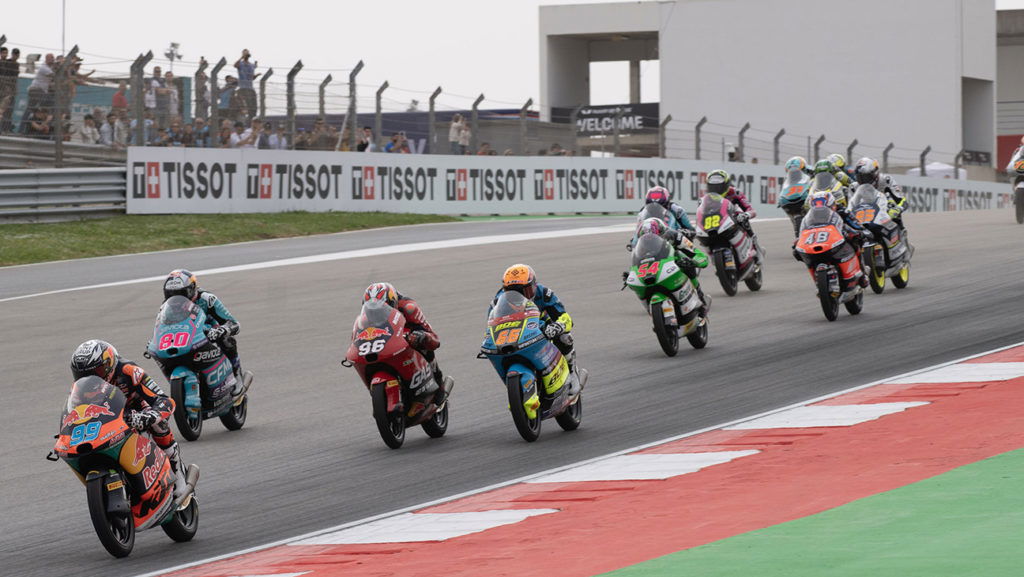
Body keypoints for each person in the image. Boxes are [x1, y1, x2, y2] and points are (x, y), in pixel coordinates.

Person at [70, 339, 189, 498]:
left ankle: (177, 470)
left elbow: (165, 400)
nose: (89, 378)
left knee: (159, 425)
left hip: (137, 408)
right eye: (82, 374)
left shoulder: (130, 371)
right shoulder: (79, 387)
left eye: (95, 372)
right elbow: (75, 413)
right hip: (107, 416)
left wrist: (149, 416)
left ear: (109, 365)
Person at [362, 282, 450, 404]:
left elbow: (433, 337)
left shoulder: (409, 308)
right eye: (372, 310)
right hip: (387, 336)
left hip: (408, 332)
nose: (375, 313)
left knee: (426, 345)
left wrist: (422, 336)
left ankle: (439, 385)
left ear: (392, 302)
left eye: (381, 308)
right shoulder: (367, 314)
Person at [492, 264, 580, 379]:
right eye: (512, 292)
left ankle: (572, 373)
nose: (519, 296)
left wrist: (558, 326)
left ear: (533, 285)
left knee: (565, 338)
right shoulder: (498, 300)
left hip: (543, 327)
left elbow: (565, 317)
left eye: (524, 291)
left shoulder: (544, 293)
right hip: (516, 332)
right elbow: (492, 324)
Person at [162, 269, 245, 386]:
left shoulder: (207, 299)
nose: (175, 299)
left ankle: (237, 376)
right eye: (170, 294)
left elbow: (234, 323)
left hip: (209, 330)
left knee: (227, 340)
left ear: (192, 289)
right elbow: (163, 326)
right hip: (184, 335)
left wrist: (222, 330)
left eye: (180, 293)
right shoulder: (167, 306)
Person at [637, 217, 711, 314]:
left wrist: (696, 261)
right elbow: (638, 261)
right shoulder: (641, 244)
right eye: (647, 239)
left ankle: (699, 295)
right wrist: (632, 273)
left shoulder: (674, 236)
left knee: (685, 262)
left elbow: (694, 251)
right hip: (654, 268)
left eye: (654, 238)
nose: (650, 241)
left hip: (674, 262)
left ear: (663, 233)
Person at [799, 190, 871, 287]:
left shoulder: (842, 211)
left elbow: (855, 223)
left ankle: (862, 273)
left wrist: (860, 231)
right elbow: (804, 230)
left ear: (832, 204)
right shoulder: (809, 216)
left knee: (856, 241)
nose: (820, 209)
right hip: (820, 241)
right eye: (816, 207)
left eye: (824, 207)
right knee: (796, 251)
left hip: (840, 234)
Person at [852, 157, 907, 228]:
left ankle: (900, 232)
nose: (863, 181)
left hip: (884, 212)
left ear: (875, 173)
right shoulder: (853, 187)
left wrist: (897, 209)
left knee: (893, 207)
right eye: (860, 178)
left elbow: (902, 200)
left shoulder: (886, 180)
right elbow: (849, 207)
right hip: (863, 215)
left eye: (866, 177)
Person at [705, 169, 757, 235]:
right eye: (713, 187)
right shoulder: (706, 198)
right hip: (715, 222)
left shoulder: (735, 192)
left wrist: (746, 215)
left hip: (733, 218)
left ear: (726, 185)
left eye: (719, 187)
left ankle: (752, 239)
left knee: (743, 220)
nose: (716, 189)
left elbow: (750, 209)